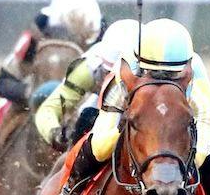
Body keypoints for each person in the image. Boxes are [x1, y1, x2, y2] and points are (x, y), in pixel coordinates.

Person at [50, 18, 210, 195]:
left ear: (186, 69)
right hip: (125, 98)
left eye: (171, 76)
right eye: (154, 74)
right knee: (101, 145)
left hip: (188, 101)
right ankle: (70, 194)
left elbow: (204, 119)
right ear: (142, 64)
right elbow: (106, 129)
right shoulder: (126, 67)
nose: (162, 82)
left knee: (207, 152)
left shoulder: (195, 74)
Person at [33, 18, 141, 151]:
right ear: (102, 65)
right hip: (99, 108)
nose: (117, 82)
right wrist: (55, 134)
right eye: (110, 73)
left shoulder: (159, 70)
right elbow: (49, 109)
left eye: (124, 75)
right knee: (87, 117)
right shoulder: (88, 69)